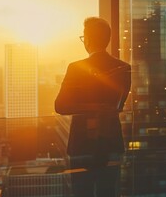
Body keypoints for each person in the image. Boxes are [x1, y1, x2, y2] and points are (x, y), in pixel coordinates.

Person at [55, 17, 131, 197]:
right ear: (107, 39)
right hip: (111, 140)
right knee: (109, 192)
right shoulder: (124, 68)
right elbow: (118, 106)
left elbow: (60, 106)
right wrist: (99, 106)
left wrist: (89, 106)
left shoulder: (76, 68)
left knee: (82, 192)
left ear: (87, 39)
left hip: (82, 144)